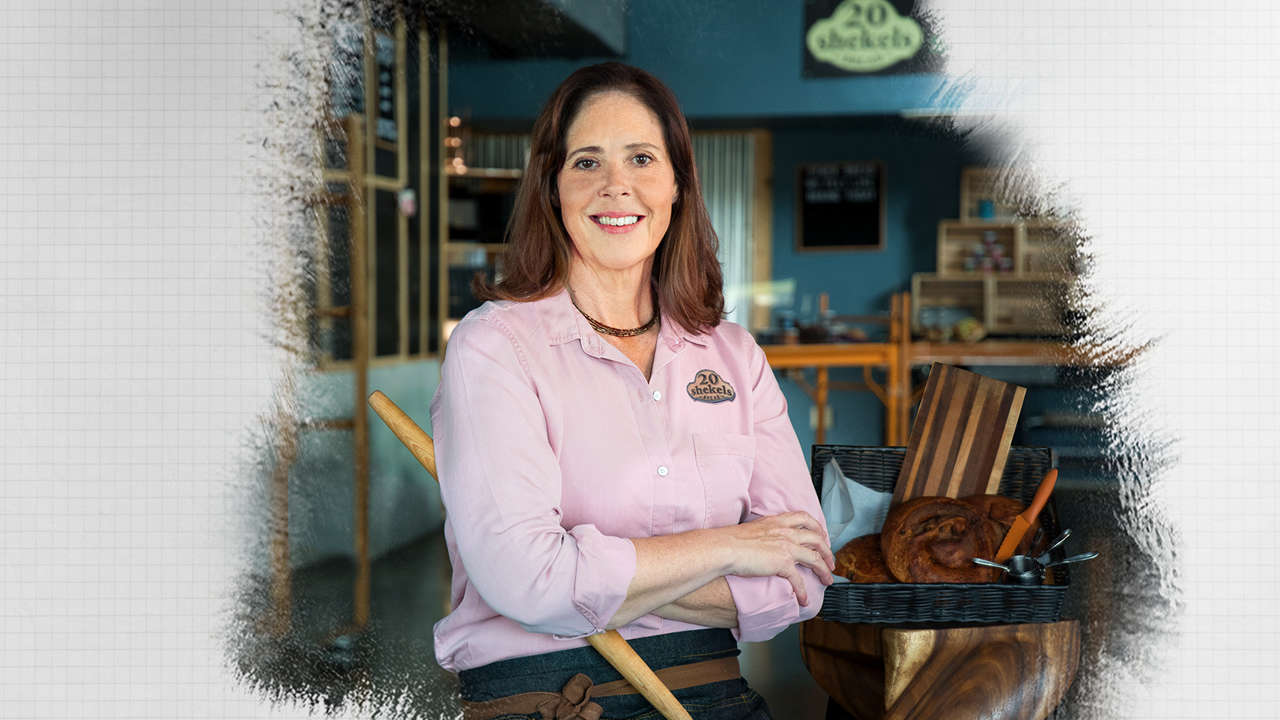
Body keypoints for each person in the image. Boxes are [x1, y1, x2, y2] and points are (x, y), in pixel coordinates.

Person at [430, 62, 835, 720]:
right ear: (553, 188)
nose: (616, 186)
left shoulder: (734, 357)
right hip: (551, 699)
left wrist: (579, 570)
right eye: (587, 162)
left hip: (716, 696)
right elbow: (527, 584)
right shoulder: (495, 348)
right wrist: (729, 547)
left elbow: (803, 575)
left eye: (641, 159)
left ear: (677, 183)